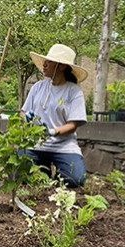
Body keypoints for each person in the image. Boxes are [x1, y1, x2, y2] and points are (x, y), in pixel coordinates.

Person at [21, 44, 88, 188]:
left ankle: (56, 171)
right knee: (18, 173)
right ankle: (43, 171)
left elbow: (72, 125)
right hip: (35, 145)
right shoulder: (37, 87)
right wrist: (26, 116)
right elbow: (23, 112)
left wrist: (52, 132)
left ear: (62, 66)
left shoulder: (74, 91)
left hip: (63, 147)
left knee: (76, 179)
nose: (44, 65)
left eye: (49, 61)